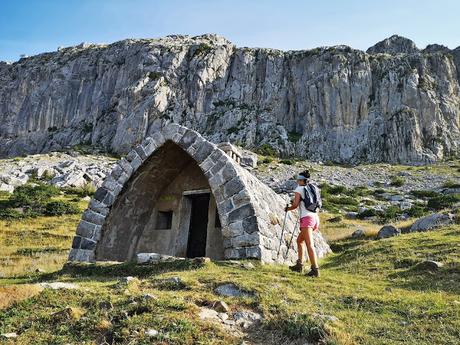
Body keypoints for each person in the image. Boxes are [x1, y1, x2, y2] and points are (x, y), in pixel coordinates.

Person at [285, 170, 320, 277]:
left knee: (309, 244)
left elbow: (295, 205)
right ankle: (299, 265)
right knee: (299, 240)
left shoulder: (299, 189)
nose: (297, 181)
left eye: (298, 180)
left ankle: (315, 270)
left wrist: (287, 208)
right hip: (314, 218)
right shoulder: (312, 188)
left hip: (306, 219)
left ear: (301, 180)